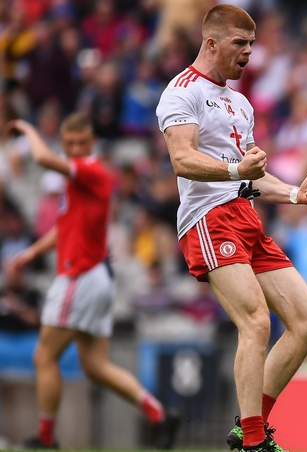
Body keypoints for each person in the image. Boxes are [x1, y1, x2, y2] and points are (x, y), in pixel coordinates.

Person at [154, 5, 307, 452]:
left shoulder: (241, 103)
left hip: (245, 218)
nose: (249, 52)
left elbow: (251, 175)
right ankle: (253, 442)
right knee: (254, 320)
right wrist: (237, 170)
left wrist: (292, 194)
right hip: (208, 219)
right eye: (240, 43)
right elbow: (183, 160)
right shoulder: (181, 92)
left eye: (252, 44)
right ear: (211, 42)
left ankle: (247, 427)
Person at [8, 113, 179, 450]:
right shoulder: (79, 181)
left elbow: (42, 157)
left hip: (80, 275)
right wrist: (32, 252)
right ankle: (158, 413)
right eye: (68, 144)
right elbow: (64, 228)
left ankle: (46, 439)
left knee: (44, 357)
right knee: (95, 365)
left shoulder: (91, 171)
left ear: (91, 144)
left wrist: (27, 127)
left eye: (79, 143)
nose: (73, 149)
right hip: (97, 275)